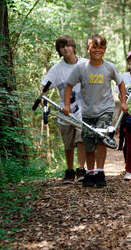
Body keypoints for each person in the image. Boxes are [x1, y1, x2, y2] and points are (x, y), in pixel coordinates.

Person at [62, 34, 128, 187]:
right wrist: (66, 105)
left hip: (105, 109)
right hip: (87, 112)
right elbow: (68, 85)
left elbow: (121, 83)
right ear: (88, 49)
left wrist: (123, 102)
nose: (97, 50)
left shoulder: (109, 67)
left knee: (101, 139)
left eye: (101, 47)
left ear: (104, 49)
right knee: (88, 142)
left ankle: (100, 172)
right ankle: (90, 173)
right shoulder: (81, 67)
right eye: (94, 47)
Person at [40, 35, 86, 184]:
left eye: (68, 45)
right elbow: (45, 86)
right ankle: (69, 171)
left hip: (84, 109)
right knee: (68, 143)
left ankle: (81, 169)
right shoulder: (57, 68)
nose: (66, 48)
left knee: (81, 140)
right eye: (62, 46)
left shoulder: (85, 64)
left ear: (73, 47)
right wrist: (42, 96)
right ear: (59, 50)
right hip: (65, 109)